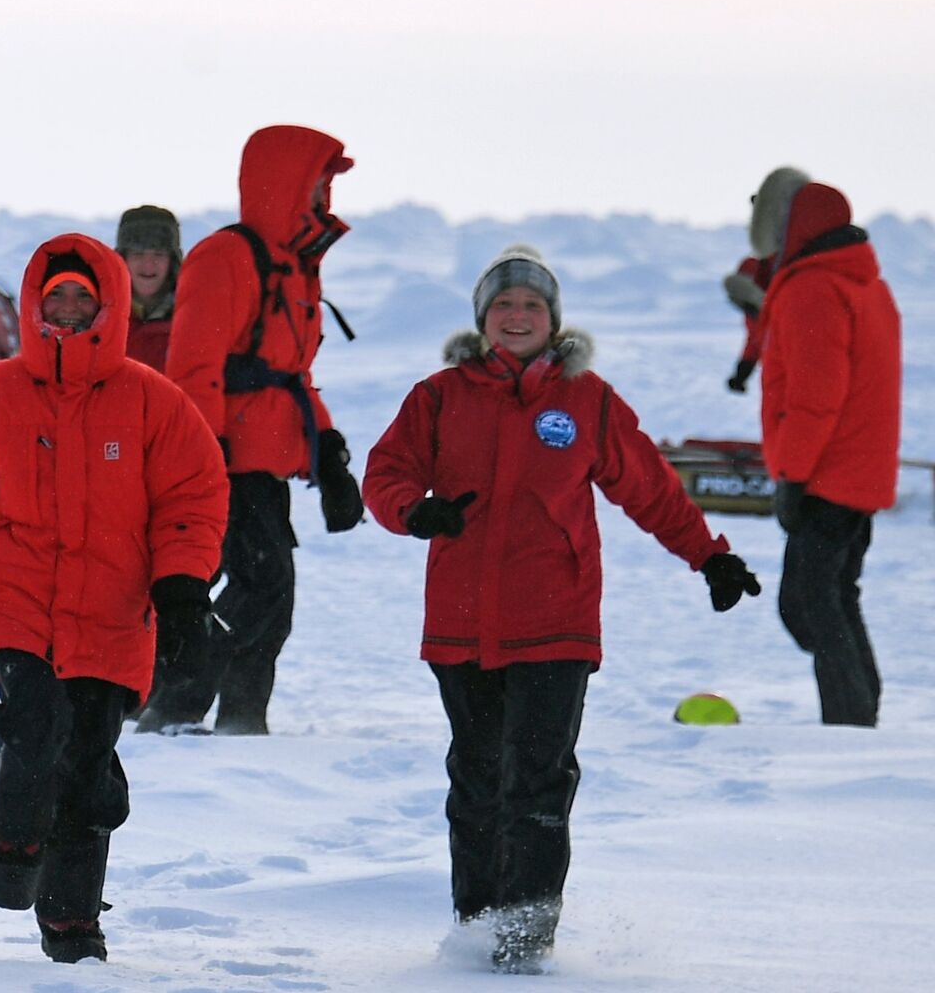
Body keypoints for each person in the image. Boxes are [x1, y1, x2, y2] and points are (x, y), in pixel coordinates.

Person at [362, 243, 763, 973]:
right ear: (484, 319)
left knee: (539, 778)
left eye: (533, 306)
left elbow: (650, 489)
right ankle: (476, 925)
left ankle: (523, 939)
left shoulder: (588, 400)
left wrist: (710, 555)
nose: (518, 317)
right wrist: (413, 512)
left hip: (556, 622)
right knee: (477, 779)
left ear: (553, 321)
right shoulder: (439, 395)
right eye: (505, 305)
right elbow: (385, 473)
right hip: (461, 625)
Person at [0, 234, 228, 963]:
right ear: (35, 304)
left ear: (108, 306)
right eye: (55, 297)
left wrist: (185, 592)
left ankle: (71, 925)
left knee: (88, 767)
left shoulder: (153, 403)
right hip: (16, 601)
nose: (67, 310)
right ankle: (12, 841)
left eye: (82, 298)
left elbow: (191, 499)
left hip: (113, 612)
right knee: (35, 721)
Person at [142, 125, 365, 736]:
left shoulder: (294, 266)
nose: (326, 194)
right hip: (225, 462)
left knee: (261, 594)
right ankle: (177, 708)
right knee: (259, 588)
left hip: (263, 463)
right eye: (320, 181)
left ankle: (236, 719)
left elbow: (292, 376)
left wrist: (332, 458)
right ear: (289, 183)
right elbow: (194, 367)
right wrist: (204, 454)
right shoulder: (229, 257)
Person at [748, 167, 901, 726]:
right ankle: (860, 710)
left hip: (826, 477)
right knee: (834, 596)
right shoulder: (863, 283)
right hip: (857, 474)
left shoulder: (814, 288)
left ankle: (852, 721)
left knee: (809, 604)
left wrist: (791, 477)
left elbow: (814, 400)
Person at [115, 204, 182, 372]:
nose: (148, 264)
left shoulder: (195, 314)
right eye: (138, 254)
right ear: (123, 259)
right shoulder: (99, 312)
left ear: (172, 261)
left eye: (158, 254)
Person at [721, 254, 775, 393]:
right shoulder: (751, 312)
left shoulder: (781, 306)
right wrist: (742, 373)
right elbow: (754, 342)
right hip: (775, 376)